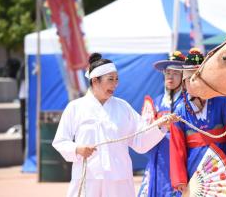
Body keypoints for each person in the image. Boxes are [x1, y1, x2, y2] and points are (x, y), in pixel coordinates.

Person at [52, 53, 178, 197]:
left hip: (119, 179)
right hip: (88, 177)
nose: (115, 84)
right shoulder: (75, 107)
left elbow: (140, 140)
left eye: (116, 79)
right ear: (95, 81)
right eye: (110, 79)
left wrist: (160, 126)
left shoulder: (123, 107)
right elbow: (60, 141)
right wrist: (77, 149)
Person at [169, 48, 226, 196]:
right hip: (195, 169)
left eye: (199, 80)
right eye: (190, 80)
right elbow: (176, 146)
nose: (195, 85)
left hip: (224, 166)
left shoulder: (222, 104)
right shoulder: (180, 112)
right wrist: (179, 178)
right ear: (184, 84)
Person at [138, 51, 185, 197]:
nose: (170, 76)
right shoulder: (156, 102)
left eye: (176, 73)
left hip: (179, 162)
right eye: (167, 72)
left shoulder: (188, 102)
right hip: (157, 161)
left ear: (184, 76)